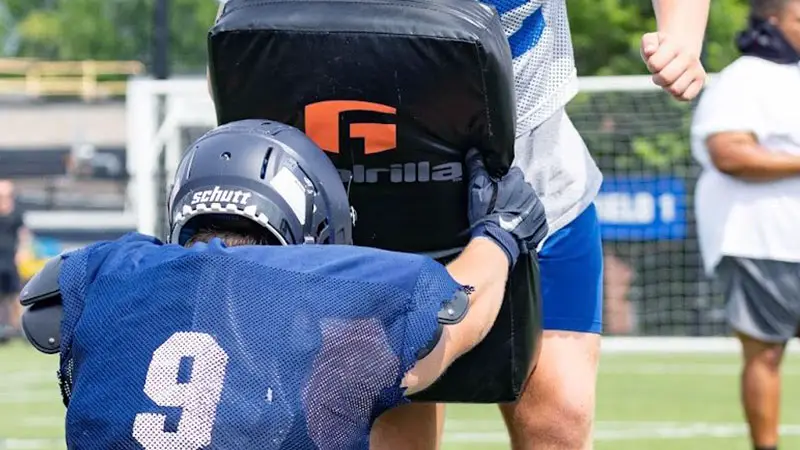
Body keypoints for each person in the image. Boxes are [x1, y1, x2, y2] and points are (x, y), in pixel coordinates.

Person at [19, 120, 547, 449]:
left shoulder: (111, 275)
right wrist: (502, 235)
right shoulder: (322, 314)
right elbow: (454, 318)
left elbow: (44, 308)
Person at [370, 1, 711, 448]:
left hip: (540, 178)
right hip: (389, 186)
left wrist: (683, 35)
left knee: (558, 421)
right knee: (396, 413)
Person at [691, 1, 800, 449]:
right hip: (759, 238)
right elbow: (728, 152)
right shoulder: (744, 78)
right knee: (766, 351)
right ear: (772, 21)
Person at [0, 180, 30, 342]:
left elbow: (23, 233)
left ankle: (20, 329)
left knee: (14, 295)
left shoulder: (16, 211)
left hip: (10, 258)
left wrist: (23, 250)